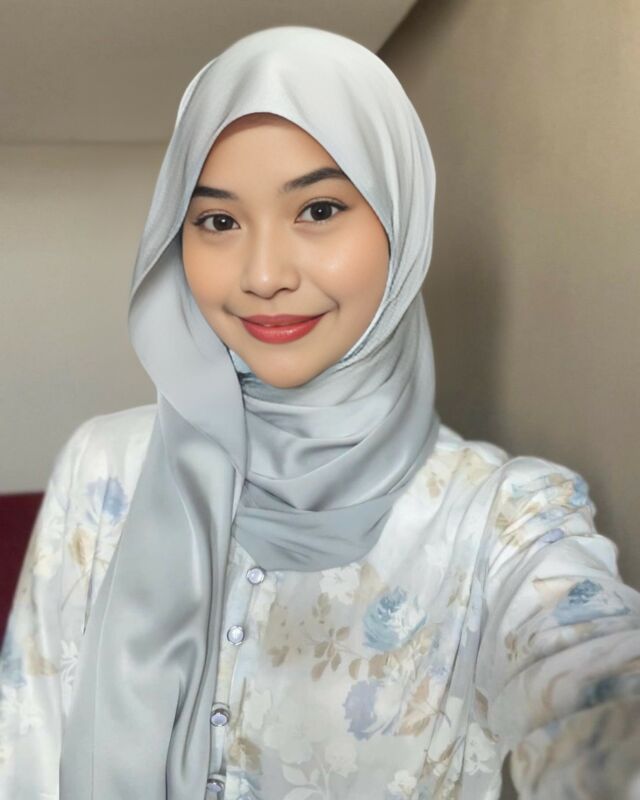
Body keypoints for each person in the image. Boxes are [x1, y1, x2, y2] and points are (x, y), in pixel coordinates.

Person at [1, 24, 639, 800]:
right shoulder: (106, 472)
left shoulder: (501, 522)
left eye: (319, 209)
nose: (264, 274)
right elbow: (23, 754)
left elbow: (592, 689)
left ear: (400, 221)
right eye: (218, 221)